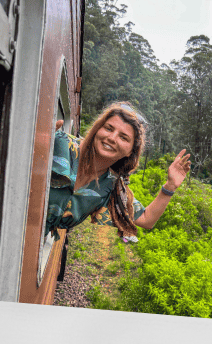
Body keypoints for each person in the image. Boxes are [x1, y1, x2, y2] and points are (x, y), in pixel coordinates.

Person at [46, 103, 191, 244]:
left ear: (130, 151)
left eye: (123, 137)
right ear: (97, 129)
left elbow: (146, 219)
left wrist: (170, 186)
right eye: (109, 129)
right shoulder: (60, 144)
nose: (112, 138)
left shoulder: (110, 186)